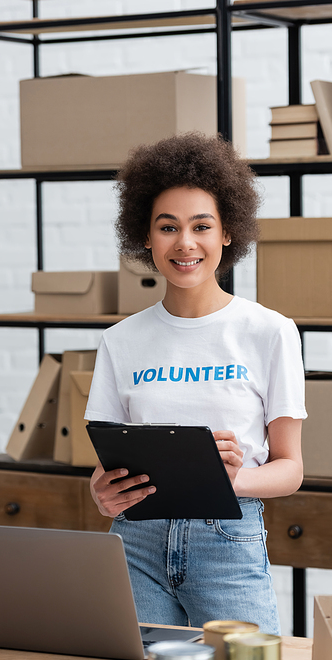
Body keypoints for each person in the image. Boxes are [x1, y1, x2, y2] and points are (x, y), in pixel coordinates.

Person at [85, 132, 307, 634]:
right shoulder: (120, 341)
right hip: (135, 540)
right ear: (145, 236)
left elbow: (290, 469)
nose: (185, 243)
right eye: (168, 227)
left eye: (201, 226)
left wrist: (234, 480)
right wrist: (102, 494)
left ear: (227, 233)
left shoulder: (270, 332)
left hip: (227, 538)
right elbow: (107, 469)